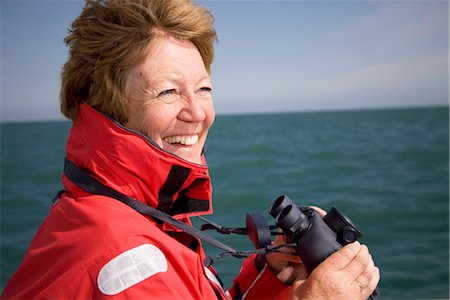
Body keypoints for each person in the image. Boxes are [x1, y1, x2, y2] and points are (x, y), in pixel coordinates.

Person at [2, 0, 380, 299]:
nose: (198, 112)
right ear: (107, 110)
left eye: (204, 88)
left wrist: (277, 277)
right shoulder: (129, 264)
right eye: (168, 91)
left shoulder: (134, 214)